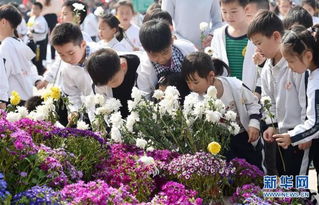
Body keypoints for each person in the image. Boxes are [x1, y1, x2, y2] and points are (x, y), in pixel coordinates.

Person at [248, 11, 309, 176]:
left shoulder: (295, 65)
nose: (257, 48)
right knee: (284, 174)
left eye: (259, 42)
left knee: (299, 177)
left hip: (298, 131)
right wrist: (271, 125)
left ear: (276, 36)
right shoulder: (267, 67)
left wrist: (305, 134)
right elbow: (268, 99)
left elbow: (305, 100)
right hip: (281, 133)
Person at [182, 51, 265, 171]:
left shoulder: (234, 86)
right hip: (219, 143)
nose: (192, 87)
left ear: (211, 76)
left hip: (244, 137)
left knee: (253, 171)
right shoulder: (194, 99)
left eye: (195, 82)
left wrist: (254, 124)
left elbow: (253, 103)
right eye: (188, 82)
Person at [274, 25, 319, 190]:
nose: (289, 66)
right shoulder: (312, 75)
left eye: (291, 61)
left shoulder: (316, 82)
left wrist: (292, 136)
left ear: (308, 55)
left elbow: (316, 124)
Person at [50, 23, 101, 121]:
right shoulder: (66, 69)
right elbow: (72, 93)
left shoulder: (101, 54)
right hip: (91, 112)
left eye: (71, 53)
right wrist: (74, 110)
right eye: (61, 54)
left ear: (83, 44)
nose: (68, 59)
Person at [137, 19, 197, 98]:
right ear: (145, 50)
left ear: (172, 41)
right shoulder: (143, 72)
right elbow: (146, 98)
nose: (161, 59)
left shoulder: (188, 50)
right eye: (154, 56)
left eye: (165, 52)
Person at [211, 0, 258, 92]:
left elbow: (262, 68)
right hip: (226, 94)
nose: (228, 16)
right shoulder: (218, 35)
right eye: (224, 12)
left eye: (233, 11)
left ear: (246, 9)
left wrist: (258, 91)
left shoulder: (256, 34)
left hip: (251, 93)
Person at [0, 4, 41, 104]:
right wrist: (37, 80)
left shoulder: (6, 46)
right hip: (25, 98)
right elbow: (30, 67)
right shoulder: (19, 42)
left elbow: (2, 79)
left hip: (12, 101)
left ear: (3, 22)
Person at [86, 48, 140, 118]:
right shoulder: (99, 79)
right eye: (106, 84)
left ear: (123, 66)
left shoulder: (138, 65)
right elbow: (104, 109)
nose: (110, 86)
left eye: (114, 81)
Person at [27, 2, 49, 75]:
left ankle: (40, 72)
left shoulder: (42, 20)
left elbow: (43, 31)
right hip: (32, 41)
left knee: (38, 58)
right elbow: (28, 28)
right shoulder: (31, 18)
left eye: (36, 9)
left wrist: (34, 31)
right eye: (33, 8)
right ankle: (34, 72)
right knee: (32, 57)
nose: (34, 10)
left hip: (40, 42)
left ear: (40, 10)